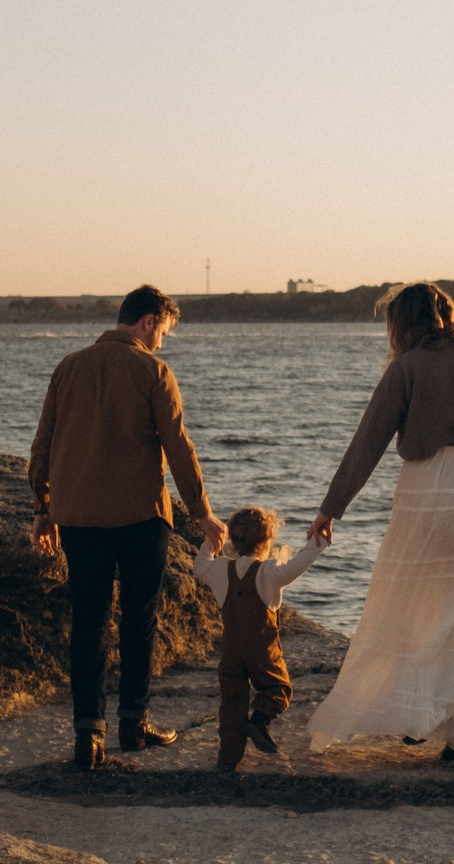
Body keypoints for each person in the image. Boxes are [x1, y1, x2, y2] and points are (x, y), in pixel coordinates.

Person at [306, 282, 454, 767]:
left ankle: (418, 716)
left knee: (415, 604)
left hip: (430, 490)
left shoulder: (407, 367)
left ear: (403, 323)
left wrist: (331, 508)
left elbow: (367, 442)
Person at [29, 284, 223, 769]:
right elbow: (178, 447)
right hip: (140, 516)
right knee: (140, 618)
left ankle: (87, 736)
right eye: (163, 331)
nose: (162, 341)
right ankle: (134, 726)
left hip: (78, 517)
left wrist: (42, 510)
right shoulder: (153, 371)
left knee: (89, 620)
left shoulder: (68, 367)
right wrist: (202, 514)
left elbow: (43, 445)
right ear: (148, 321)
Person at [193, 506, 330, 771]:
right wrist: (318, 541)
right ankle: (259, 721)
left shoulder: (220, 570)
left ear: (232, 541)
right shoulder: (269, 572)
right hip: (262, 651)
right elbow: (298, 565)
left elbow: (199, 567)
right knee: (279, 689)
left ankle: (228, 759)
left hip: (231, 652)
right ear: (267, 542)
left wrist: (210, 543)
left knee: (232, 702)